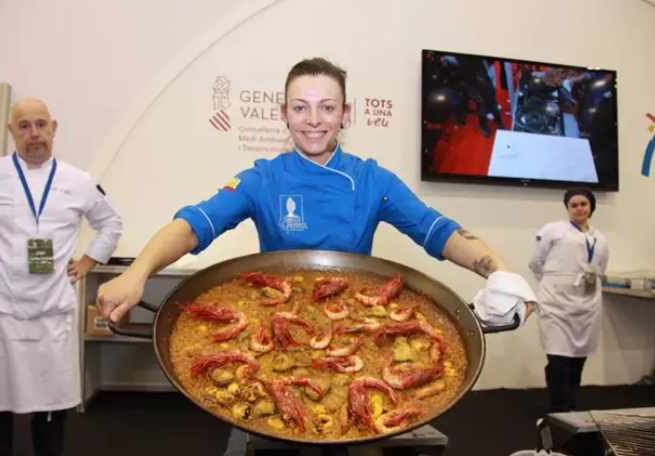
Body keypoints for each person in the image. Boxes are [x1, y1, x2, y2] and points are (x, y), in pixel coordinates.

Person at [96, 57, 536, 454]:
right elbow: (193, 225)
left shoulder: (371, 179)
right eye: (300, 107)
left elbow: (439, 230)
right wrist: (138, 273)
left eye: (327, 107)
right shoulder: (262, 179)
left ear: (345, 115)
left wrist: (500, 272)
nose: (313, 120)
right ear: (283, 113)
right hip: (277, 331)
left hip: (359, 331)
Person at [0, 98, 123, 456]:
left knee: (52, 408)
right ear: (12, 131)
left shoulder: (78, 181)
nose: (34, 134)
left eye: (41, 124)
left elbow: (111, 223)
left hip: (52, 310)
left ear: (54, 128)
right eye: (24, 126)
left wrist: (89, 261)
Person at [529, 188, 609, 413]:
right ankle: (559, 408)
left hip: (587, 304)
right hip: (556, 303)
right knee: (558, 360)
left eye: (583, 204)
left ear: (591, 206)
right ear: (567, 208)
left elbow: (601, 268)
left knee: (577, 360)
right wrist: (554, 283)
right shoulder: (552, 231)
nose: (579, 208)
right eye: (573, 205)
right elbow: (536, 262)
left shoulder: (600, 238)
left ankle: (571, 403)